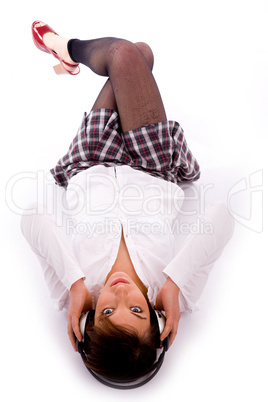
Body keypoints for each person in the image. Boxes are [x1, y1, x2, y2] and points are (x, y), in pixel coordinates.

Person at [21, 21, 234, 387]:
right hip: (152, 164)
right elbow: (222, 216)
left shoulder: (73, 289)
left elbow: (31, 218)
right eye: (136, 310)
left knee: (133, 54)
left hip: (92, 158)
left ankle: (63, 49)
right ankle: (64, 48)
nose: (119, 293)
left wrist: (74, 283)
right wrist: (174, 282)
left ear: (87, 320)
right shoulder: (173, 288)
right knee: (133, 54)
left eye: (106, 311)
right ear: (158, 320)